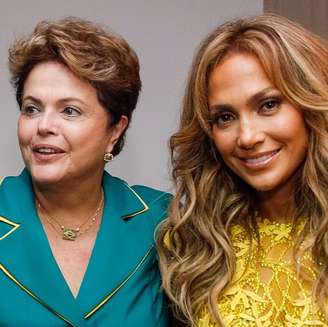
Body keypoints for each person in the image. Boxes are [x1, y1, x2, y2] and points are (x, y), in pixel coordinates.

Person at [157, 13, 328, 326]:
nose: (247, 137)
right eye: (225, 117)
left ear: (310, 102)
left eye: (268, 105)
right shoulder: (196, 246)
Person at [0, 17, 170, 326]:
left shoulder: (164, 220)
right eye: (32, 108)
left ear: (115, 130)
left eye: (70, 111)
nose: (44, 126)